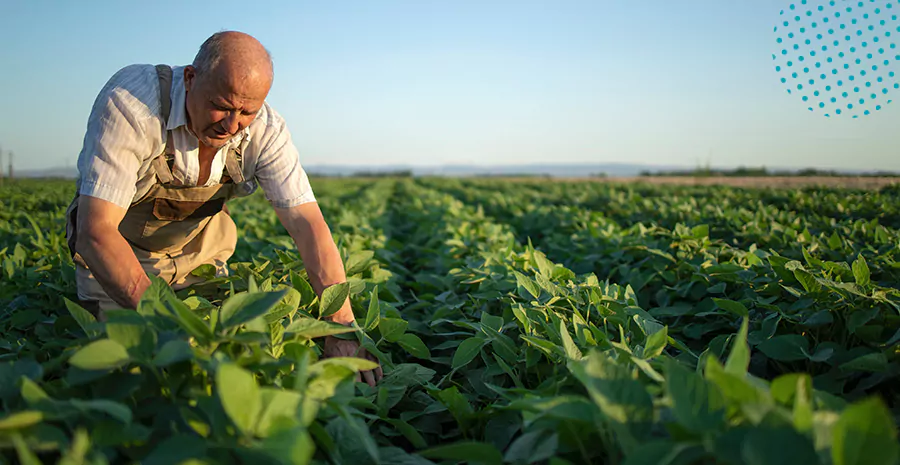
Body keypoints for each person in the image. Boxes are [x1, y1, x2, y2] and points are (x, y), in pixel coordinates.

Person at [64, 30, 383, 386]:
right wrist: (173, 327)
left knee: (227, 368)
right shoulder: (133, 103)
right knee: (132, 374)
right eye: (222, 105)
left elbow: (307, 225)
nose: (232, 125)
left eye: (247, 111)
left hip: (200, 255)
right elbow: (96, 233)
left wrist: (338, 327)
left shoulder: (267, 130)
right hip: (119, 258)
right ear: (190, 78)